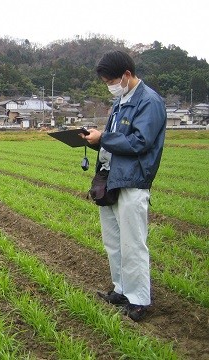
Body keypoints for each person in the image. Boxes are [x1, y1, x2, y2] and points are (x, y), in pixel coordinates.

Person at [83, 50, 166, 322]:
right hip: (110, 179)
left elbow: (139, 142)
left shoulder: (149, 101)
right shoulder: (120, 101)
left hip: (132, 179)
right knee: (114, 242)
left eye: (111, 80)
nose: (110, 86)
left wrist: (102, 138)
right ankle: (121, 290)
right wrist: (95, 139)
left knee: (133, 243)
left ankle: (139, 299)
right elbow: (114, 138)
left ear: (127, 75)